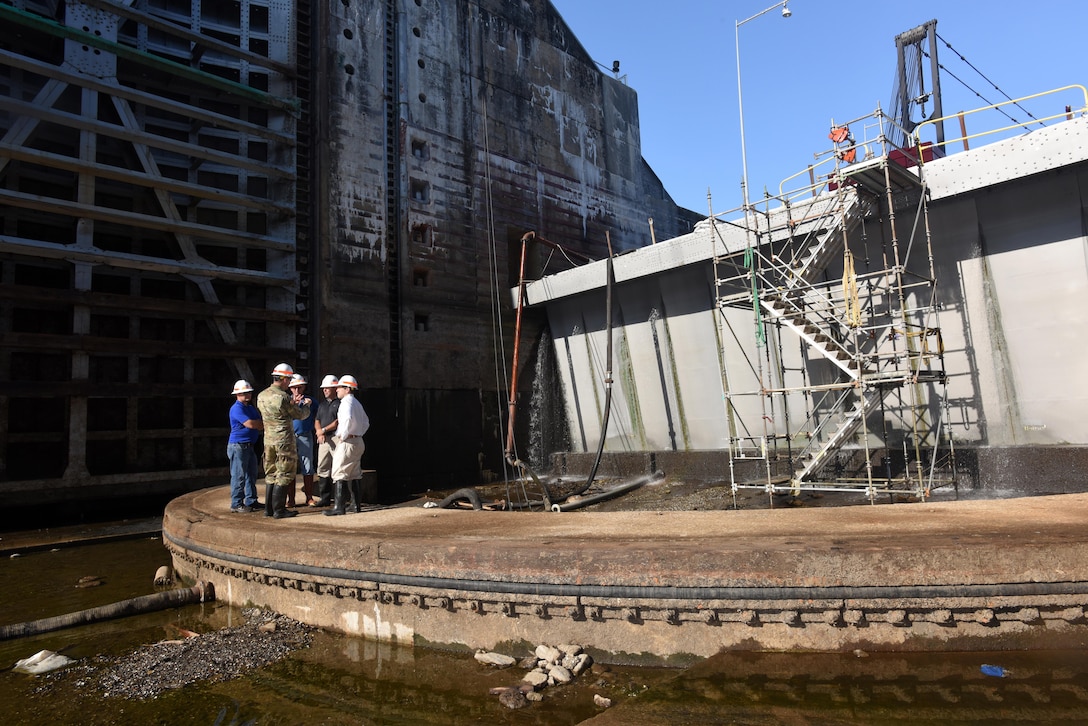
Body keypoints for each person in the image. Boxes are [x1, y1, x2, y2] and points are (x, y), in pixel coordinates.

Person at [256, 362, 311, 519]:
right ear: (284, 379)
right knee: (285, 472)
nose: (289, 383)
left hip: (268, 440)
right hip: (284, 441)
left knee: (271, 473)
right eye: (289, 380)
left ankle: (269, 509)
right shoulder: (283, 397)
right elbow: (300, 415)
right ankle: (279, 510)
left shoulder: (261, 396)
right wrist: (306, 406)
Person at [324, 374, 370, 516]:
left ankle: (339, 507)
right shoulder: (357, 403)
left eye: (339, 387)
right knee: (355, 473)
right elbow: (366, 422)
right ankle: (356, 505)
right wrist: (358, 433)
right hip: (358, 441)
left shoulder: (346, 403)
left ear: (347, 389)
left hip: (348, 441)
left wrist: (343, 436)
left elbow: (347, 419)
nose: (336, 389)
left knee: (339, 472)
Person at [227, 379, 263, 513]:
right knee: (238, 475)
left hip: (249, 445)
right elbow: (251, 424)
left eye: (248, 393)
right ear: (237, 394)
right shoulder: (236, 408)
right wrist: (263, 425)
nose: (247, 395)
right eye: (244, 393)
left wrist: (260, 424)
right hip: (238, 446)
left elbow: (258, 421)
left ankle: (251, 500)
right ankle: (236, 503)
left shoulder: (249, 407)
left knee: (251, 474)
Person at [289, 373, 317, 506]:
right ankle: (291, 499)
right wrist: (292, 404)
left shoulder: (311, 401)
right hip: (289, 437)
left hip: (305, 435)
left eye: (299, 387)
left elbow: (318, 416)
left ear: (304, 387)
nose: (297, 390)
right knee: (290, 468)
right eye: (294, 388)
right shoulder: (286, 401)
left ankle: (309, 497)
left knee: (308, 467)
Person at [313, 374, 340, 506]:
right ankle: (325, 498)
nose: (324, 390)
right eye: (323, 388)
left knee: (338, 468)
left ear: (335, 388)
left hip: (336, 438)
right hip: (324, 440)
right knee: (322, 467)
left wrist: (322, 430)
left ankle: (340, 498)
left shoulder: (340, 404)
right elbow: (317, 419)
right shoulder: (322, 405)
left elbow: (337, 422)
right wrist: (319, 432)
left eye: (327, 388)